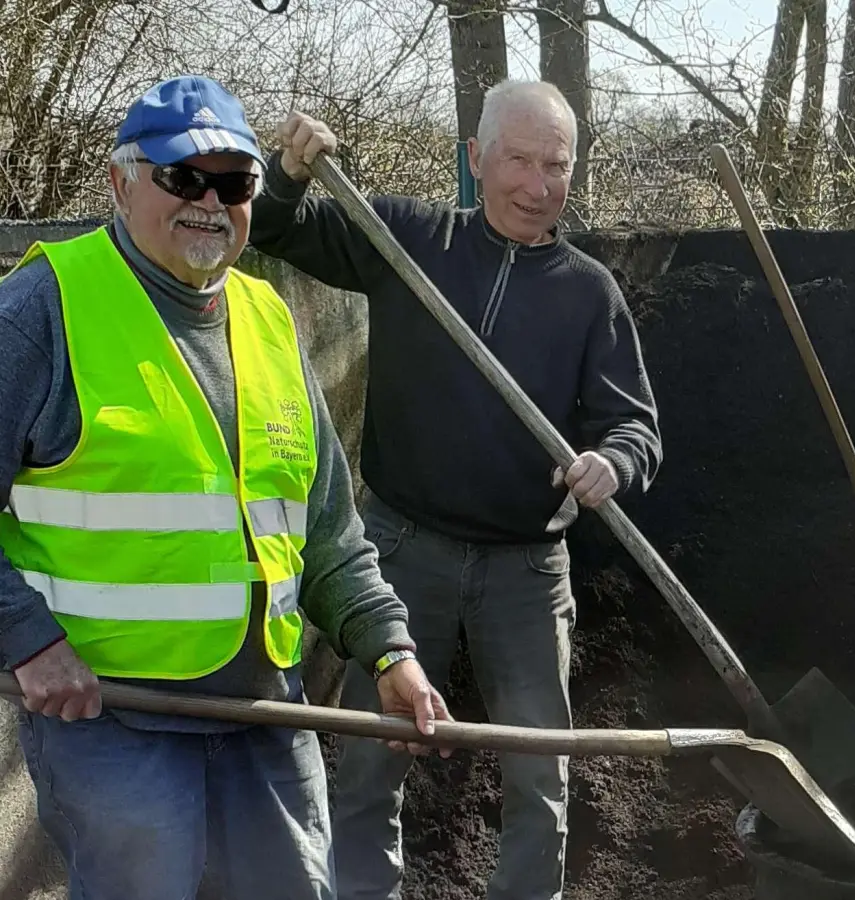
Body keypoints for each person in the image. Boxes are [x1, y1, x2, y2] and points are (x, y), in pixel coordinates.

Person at [0, 75, 449, 900]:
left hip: (264, 714)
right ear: (121, 182)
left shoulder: (268, 317)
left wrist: (390, 648)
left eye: (234, 181)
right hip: (113, 720)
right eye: (182, 177)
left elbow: (325, 528)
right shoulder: (40, 311)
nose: (210, 201)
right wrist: (26, 639)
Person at [247, 78, 663, 900]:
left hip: (527, 571)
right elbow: (273, 228)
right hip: (401, 549)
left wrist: (611, 462)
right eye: (519, 159)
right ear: (474, 159)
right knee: (371, 757)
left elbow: (636, 425)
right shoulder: (407, 238)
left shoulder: (589, 293)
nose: (539, 186)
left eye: (558, 166)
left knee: (540, 773)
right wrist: (289, 169)